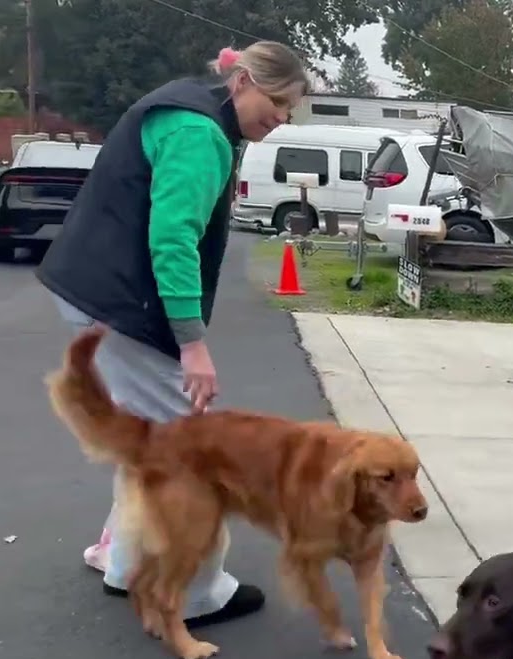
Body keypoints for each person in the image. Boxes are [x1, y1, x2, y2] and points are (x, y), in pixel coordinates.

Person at [36, 42, 310, 626]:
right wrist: (191, 344)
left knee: (151, 438)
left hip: (91, 290)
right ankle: (195, 592)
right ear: (240, 82)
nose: (282, 117)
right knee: (195, 450)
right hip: (122, 300)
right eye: (277, 101)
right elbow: (172, 241)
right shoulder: (199, 133)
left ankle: (122, 556)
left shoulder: (185, 107)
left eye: (290, 108)